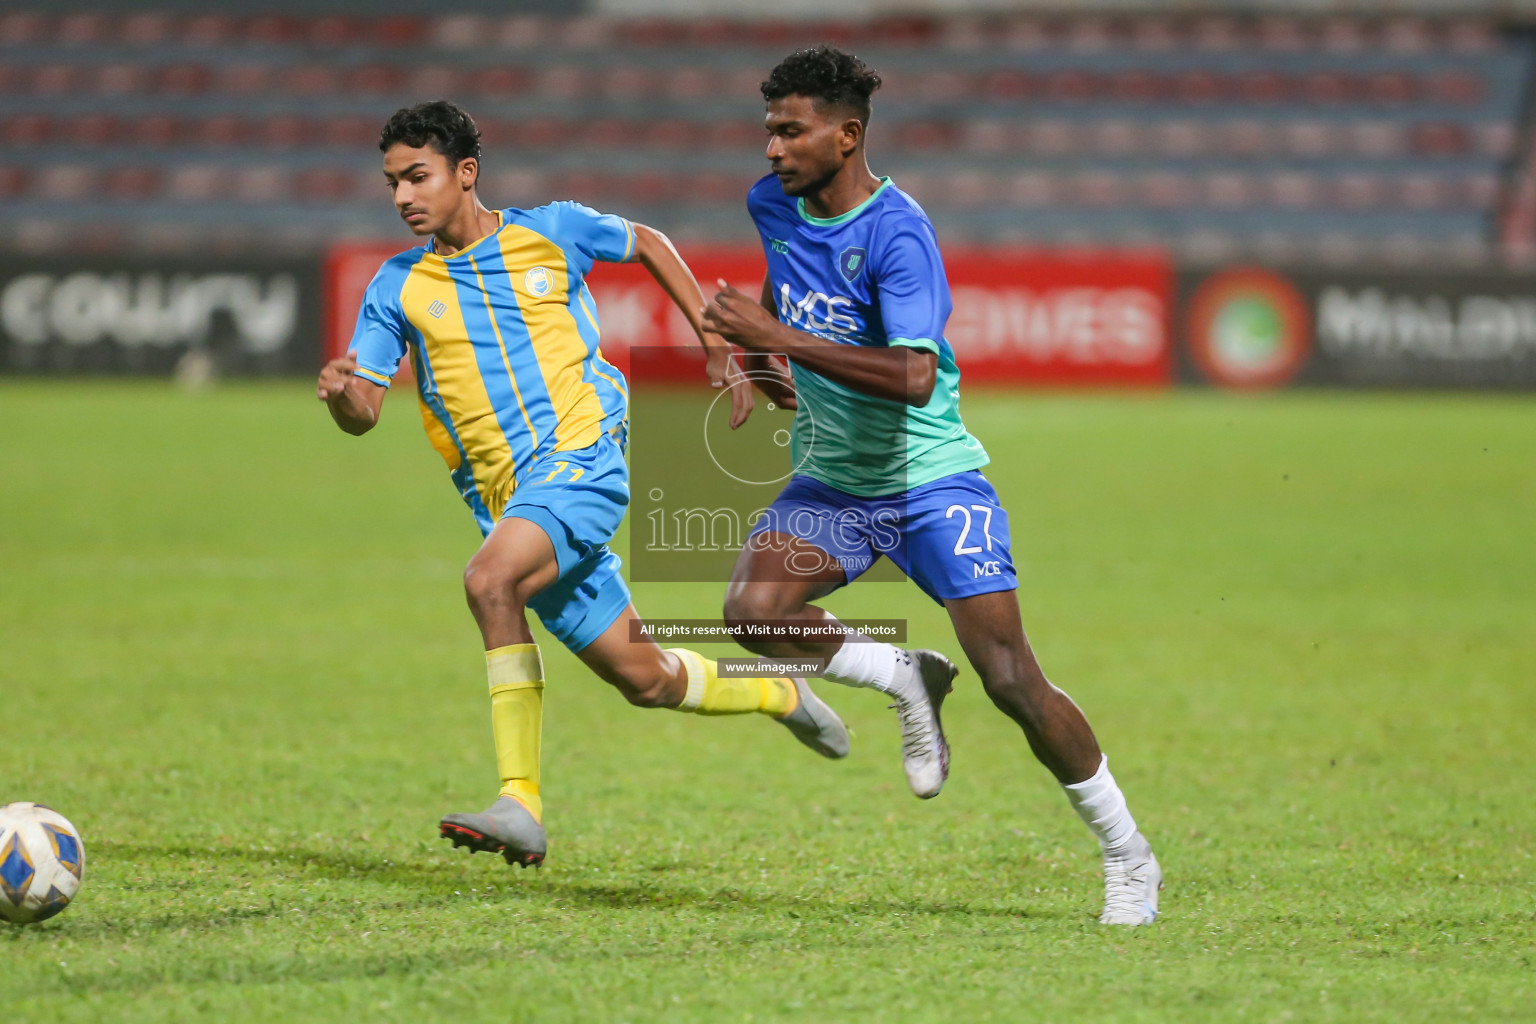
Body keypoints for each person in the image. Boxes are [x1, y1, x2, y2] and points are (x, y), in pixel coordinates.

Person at [317, 100, 849, 868]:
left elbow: (649, 242)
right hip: (511, 504)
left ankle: (520, 803)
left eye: (417, 176)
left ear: (465, 173)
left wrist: (708, 335)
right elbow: (365, 410)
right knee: (648, 678)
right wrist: (342, 396)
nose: (403, 196)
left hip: (584, 459)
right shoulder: (396, 286)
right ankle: (780, 693)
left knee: (487, 581)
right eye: (393, 182)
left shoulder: (551, 230)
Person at [702, 48, 1162, 924]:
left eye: (791, 131)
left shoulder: (899, 232)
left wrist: (780, 338)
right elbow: (786, 299)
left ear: (848, 134)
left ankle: (1127, 854)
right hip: (833, 481)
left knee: (1010, 678)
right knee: (753, 611)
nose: (772, 149)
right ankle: (904, 675)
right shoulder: (773, 206)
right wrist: (759, 364)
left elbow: (915, 375)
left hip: (928, 481)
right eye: (768, 130)